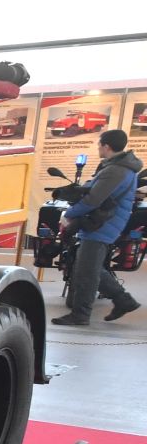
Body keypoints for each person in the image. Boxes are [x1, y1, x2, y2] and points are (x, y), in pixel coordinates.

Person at [53, 129, 141, 326]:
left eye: (99, 144)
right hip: (106, 222)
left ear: (107, 146)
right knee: (89, 268)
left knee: (86, 272)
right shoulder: (121, 167)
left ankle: (81, 315)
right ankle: (123, 300)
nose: (98, 148)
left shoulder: (115, 170)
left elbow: (94, 199)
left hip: (102, 224)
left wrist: (69, 214)